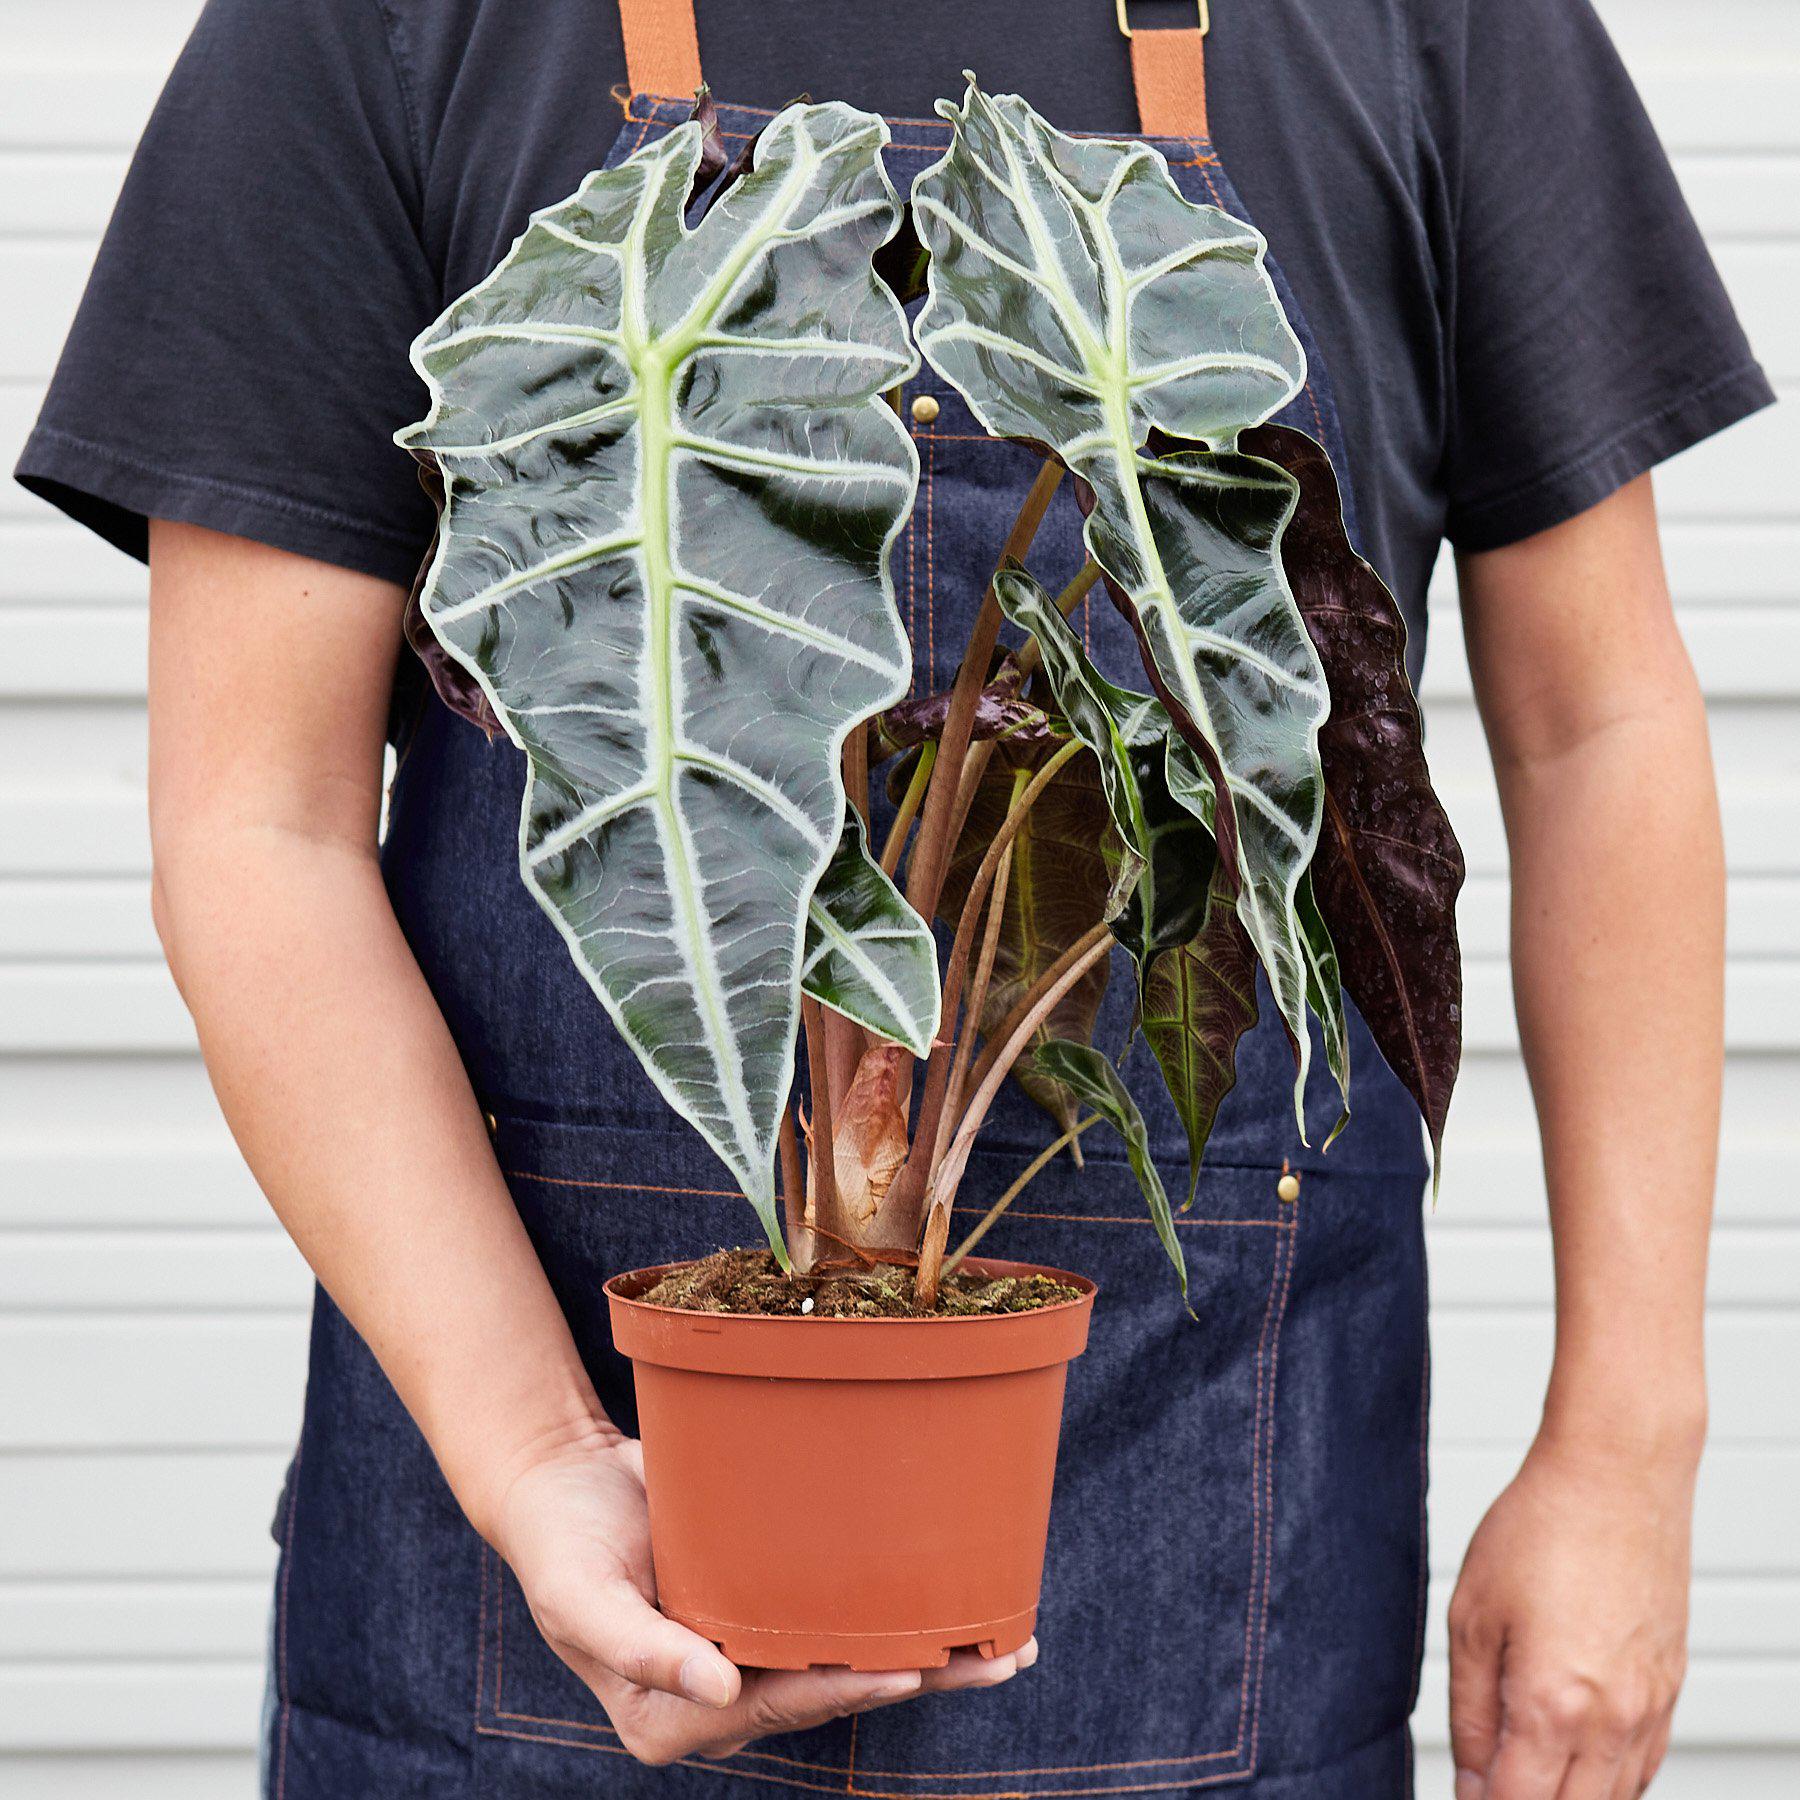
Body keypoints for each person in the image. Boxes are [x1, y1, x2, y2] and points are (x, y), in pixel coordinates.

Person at [17, 2, 1768, 1795]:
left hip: (1211, 1532)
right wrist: (536, 1453)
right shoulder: (388, 27)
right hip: (539, 1555)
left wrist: (1626, 1450)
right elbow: (259, 821)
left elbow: (1597, 733)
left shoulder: (1430, 26)